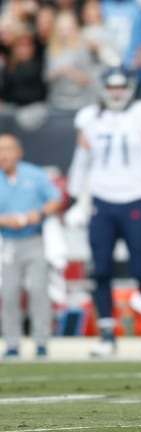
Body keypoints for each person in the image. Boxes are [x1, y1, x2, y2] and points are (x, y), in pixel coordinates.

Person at [66, 66, 141, 357]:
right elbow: (81, 160)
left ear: (130, 87)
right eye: (111, 87)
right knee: (100, 270)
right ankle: (107, 334)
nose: (115, 93)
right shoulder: (90, 118)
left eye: (120, 87)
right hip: (102, 201)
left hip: (136, 199)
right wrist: (76, 200)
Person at [0, 133, 62, 359]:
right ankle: (12, 342)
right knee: (9, 293)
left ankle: (41, 341)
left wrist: (40, 213)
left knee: (38, 291)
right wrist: (7, 220)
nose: (3, 155)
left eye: (7, 149)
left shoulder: (34, 175)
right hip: (7, 242)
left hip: (34, 239)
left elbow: (55, 199)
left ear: (18, 152)